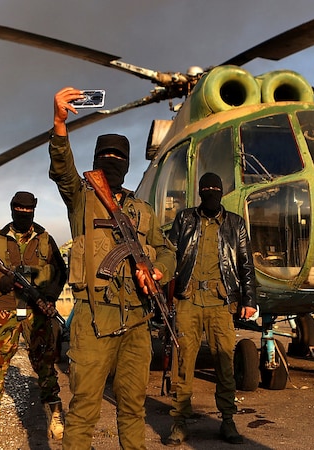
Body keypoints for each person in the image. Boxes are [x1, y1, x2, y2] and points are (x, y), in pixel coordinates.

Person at [49, 87, 176, 450]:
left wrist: (156, 272)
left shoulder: (143, 210)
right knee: (85, 408)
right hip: (93, 320)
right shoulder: (81, 199)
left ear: (128, 163)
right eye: (105, 155)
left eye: (118, 156)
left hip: (136, 321)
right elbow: (62, 170)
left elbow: (168, 251)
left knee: (133, 408)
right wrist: (59, 123)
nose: (111, 160)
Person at [165, 172, 257, 446]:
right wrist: (162, 288)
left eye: (215, 189)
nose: (211, 193)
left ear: (221, 192)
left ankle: (227, 421)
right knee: (183, 367)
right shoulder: (185, 219)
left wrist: (249, 300)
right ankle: (179, 423)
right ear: (200, 192)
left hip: (221, 303)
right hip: (188, 301)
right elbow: (169, 255)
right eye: (206, 189)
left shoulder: (235, 224)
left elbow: (245, 264)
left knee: (225, 364)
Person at [0, 191, 68, 445]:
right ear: (12, 209)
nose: (23, 213)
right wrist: (2, 280)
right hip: (6, 309)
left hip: (36, 311)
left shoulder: (46, 239)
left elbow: (61, 271)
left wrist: (49, 297)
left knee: (46, 363)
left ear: (34, 211)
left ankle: (56, 414)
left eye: (28, 210)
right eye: (19, 209)